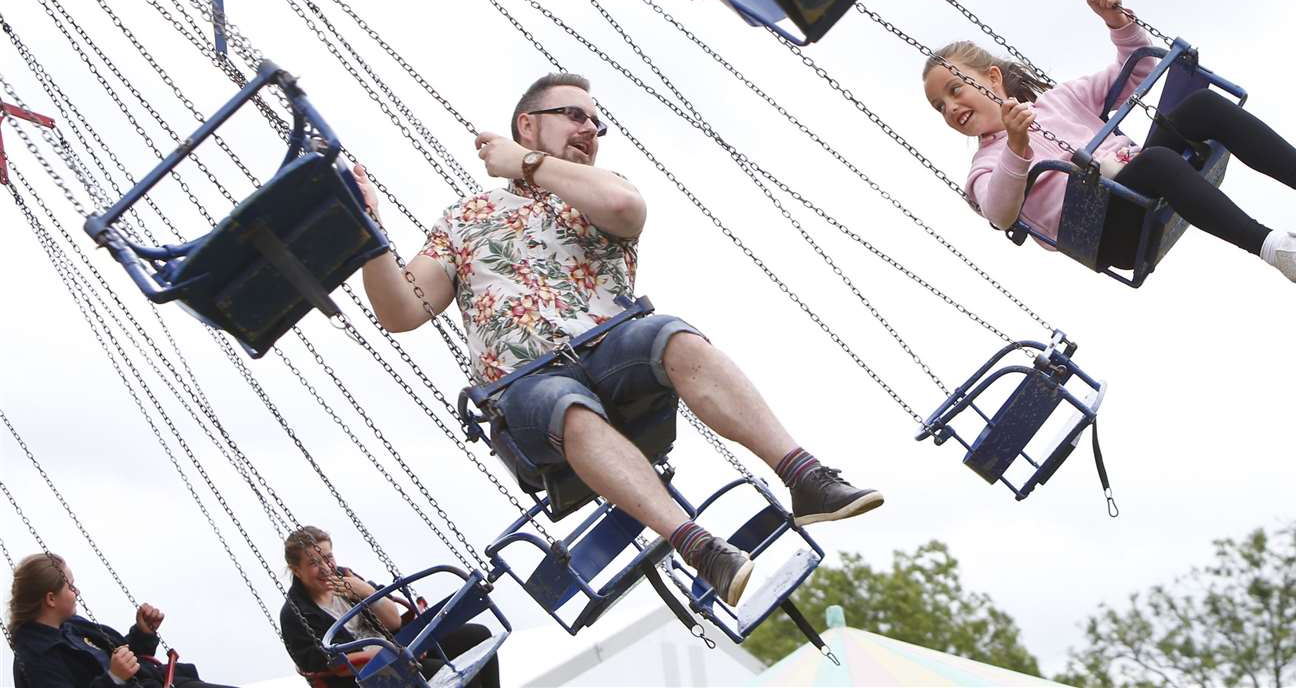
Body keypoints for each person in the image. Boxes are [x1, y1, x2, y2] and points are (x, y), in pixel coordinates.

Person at [354, 73, 883, 607]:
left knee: (671, 334)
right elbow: (402, 310)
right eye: (575, 115)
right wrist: (368, 233)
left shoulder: (592, 190)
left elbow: (626, 209)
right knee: (563, 404)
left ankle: (805, 476)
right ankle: (699, 547)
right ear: (528, 124)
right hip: (528, 385)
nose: (591, 128)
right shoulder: (464, 219)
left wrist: (526, 164)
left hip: (609, 348)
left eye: (596, 121)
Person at [921, 0, 1296, 282]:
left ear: (993, 79)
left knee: (1200, 107)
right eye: (940, 106)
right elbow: (1001, 213)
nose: (952, 107)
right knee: (1154, 161)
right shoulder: (985, 166)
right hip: (1107, 231)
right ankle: (1274, 247)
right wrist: (1017, 147)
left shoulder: (1059, 100)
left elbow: (1137, 65)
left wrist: (1116, 20)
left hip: (1138, 181)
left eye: (955, 89)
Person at [278, 526, 499, 688]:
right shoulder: (297, 613)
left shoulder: (347, 578)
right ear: (297, 570)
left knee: (478, 636)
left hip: (398, 647)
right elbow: (326, 663)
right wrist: (385, 653)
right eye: (314, 563)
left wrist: (367, 592)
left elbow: (393, 622)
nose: (326, 568)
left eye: (328, 558)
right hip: (365, 674)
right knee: (451, 672)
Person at [8, 553, 235, 688]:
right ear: (50, 599)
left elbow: (122, 657)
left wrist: (142, 634)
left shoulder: (72, 627)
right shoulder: (35, 659)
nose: (76, 591)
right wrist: (113, 679)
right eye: (70, 586)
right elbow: (115, 672)